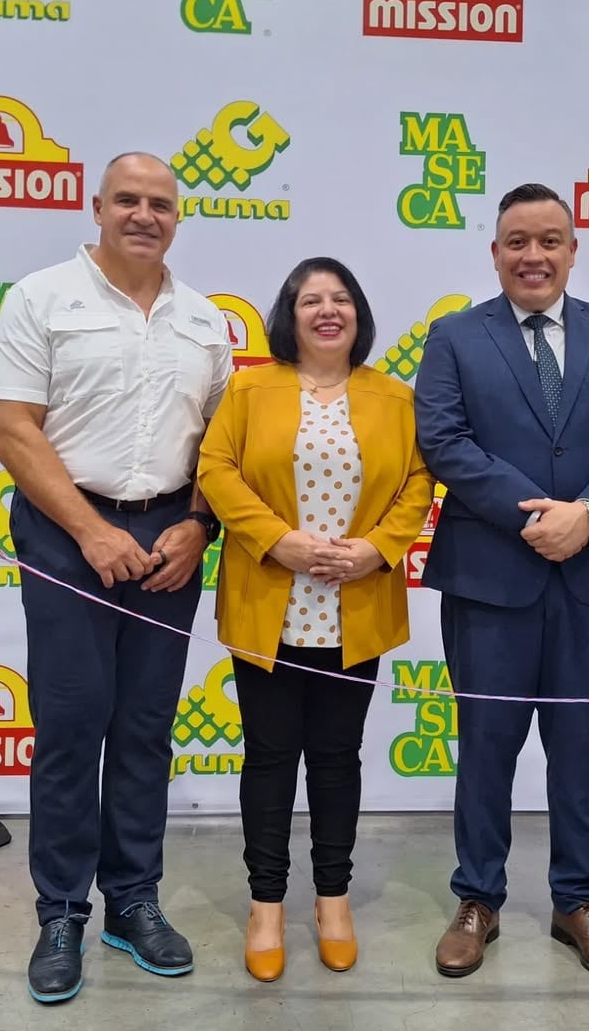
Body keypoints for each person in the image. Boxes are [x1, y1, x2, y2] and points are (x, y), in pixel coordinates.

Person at [0, 153, 232, 1004]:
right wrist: (90, 531)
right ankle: (61, 912)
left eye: (160, 203)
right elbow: (13, 430)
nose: (143, 214)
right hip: (64, 531)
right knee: (71, 725)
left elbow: (221, 448)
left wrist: (199, 526)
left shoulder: (204, 321)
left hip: (170, 538)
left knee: (144, 728)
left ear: (177, 217)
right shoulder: (40, 298)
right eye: (127, 199)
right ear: (97, 208)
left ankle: (133, 901)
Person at [414, 183, 589, 982]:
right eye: (517, 241)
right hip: (491, 577)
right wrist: (535, 518)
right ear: (495, 253)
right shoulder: (455, 336)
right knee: (484, 748)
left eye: (550, 240)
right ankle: (477, 899)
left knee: (580, 749)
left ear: (572, 249)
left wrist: (588, 513)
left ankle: (578, 902)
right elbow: (444, 441)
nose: (534, 255)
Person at [197, 257, 433, 982]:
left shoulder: (394, 396)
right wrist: (280, 540)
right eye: (310, 300)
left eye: (340, 299)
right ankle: (266, 904)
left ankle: (333, 899)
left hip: (354, 608)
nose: (326, 310)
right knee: (269, 758)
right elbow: (215, 469)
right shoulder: (248, 387)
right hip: (271, 604)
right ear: (289, 315)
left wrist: (377, 550)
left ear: (358, 313)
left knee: (336, 760)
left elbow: (418, 483)